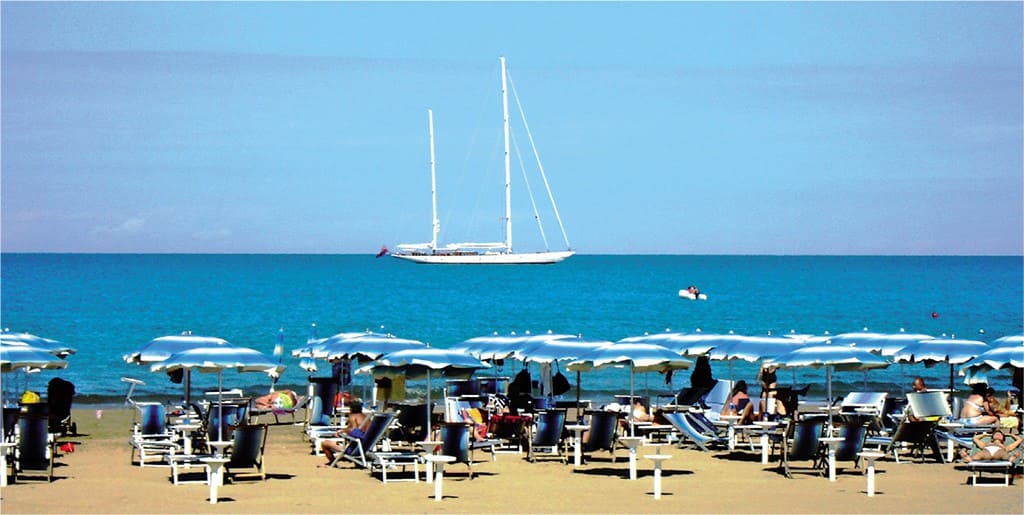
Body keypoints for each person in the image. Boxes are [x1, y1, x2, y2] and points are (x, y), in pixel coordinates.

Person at [320, 400, 369, 467]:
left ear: (351, 409)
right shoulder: (366, 418)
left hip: (354, 448)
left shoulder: (353, 417)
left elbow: (353, 431)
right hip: (366, 447)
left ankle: (332, 463)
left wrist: (341, 431)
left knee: (325, 443)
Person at [958, 429, 1023, 463]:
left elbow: (1020, 440)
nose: (998, 435)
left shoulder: (1005, 446)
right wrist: (985, 435)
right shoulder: (986, 444)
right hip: (986, 452)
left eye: (1000, 435)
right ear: (992, 438)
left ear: (1003, 439)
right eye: (996, 434)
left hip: (999, 452)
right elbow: (975, 438)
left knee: (1004, 453)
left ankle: (1010, 460)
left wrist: (1010, 435)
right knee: (979, 454)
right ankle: (968, 458)